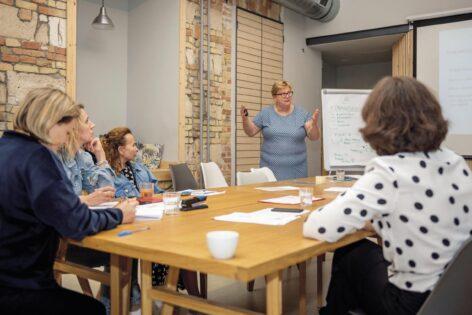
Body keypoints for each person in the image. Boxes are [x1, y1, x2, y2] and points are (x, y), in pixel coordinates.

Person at [303, 76, 472, 315]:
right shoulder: (455, 161)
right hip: (457, 295)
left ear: (379, 122)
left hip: (409, 304)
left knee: (348, 252)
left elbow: (320, 228)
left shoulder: (389, 171)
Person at [0, 88, 137, 315]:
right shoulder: (38, 158)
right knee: (92, 309)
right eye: (67, 131)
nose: (66, 139)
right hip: (22, 287)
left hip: (8, 277)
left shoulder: (6, 147)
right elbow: (76, 223)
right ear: (51, 122)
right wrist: (120, 214)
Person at [240, 80, 320, 180]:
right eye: (283, 94)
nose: (287, 96)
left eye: (289, 93)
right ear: (274, 97)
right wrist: (245, 120)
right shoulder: (266, 113)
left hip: (297, 173)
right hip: (269, 174)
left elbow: (314, 137)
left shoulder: (302, 113)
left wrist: (314, 125)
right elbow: (250, 131)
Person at [57, 104, 115, 206]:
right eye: (87, 121)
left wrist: (101, 156)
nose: (93, 125)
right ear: (72, 128)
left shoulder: (83, 157)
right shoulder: (54, 158)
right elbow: (55, 202)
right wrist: (87, 200)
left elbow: (107, 194)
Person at [101, 127, 163, 197]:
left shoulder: (142, 168)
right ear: (121, 150)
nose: (136, 149)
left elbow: (160, 193)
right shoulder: (108, 176)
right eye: (133, 145)